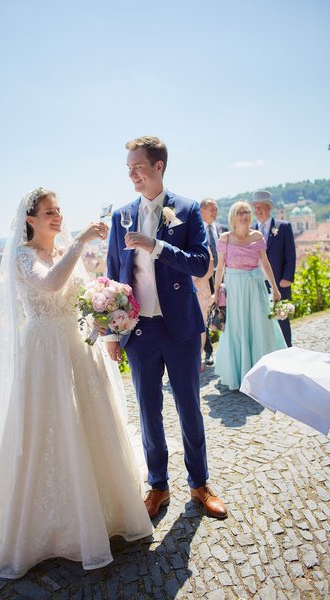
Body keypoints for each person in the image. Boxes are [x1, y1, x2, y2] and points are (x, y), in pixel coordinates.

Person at [0, 187, 152, 579]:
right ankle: (51, 524)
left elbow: (80, 296)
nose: (57, 217)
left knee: (88, 424)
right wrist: (82, 240)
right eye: (49, 212)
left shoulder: (63, 253)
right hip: (44, 352)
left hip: (76, 346)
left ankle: (103, 511)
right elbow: (49, 284)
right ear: (30, 219)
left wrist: (108, 303)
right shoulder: (23, 256)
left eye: (59, 210)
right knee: (50, 428)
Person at [105, 136, 228, 520]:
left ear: (158, 167)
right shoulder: (121, 215)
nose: (131, 174)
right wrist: (112, 332)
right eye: (128, 168)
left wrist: (155, 245)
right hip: (139, 330)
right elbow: (112, 274)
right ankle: (157, 486)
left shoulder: (188, 210)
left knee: (189, 407)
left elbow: (201, 265)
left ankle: (199, 484)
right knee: (149, 410)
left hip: (181, 328)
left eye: (137, 166)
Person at [214, 201, 287, 390]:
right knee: (237, 328)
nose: (244, 215)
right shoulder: (225, 238)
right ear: (233, 216)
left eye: (247, 212)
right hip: (235, 288)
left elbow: (265, 263)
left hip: (256, 287)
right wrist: (215, 292)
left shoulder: (257, 236)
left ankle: (263, 374)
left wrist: (275, 288)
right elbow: (220, 267)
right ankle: (240, 375)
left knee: (260, 326)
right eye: (240, 212)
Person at [251, 190, 296, 346]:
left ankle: (287, 349)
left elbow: (290, 254)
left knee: (282, 317)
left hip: (279, 282)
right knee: (262, 319)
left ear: (268, 207)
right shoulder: (251, 230)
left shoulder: (283, 227)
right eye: (255, 207)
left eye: (260, 207)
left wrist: (287, 278)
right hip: (258, 283)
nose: (257, 211)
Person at [198, 198, 228, 365]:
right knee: (206, 314)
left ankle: (226, 349)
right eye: (212, 210)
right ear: (202, 211)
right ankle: (208, 352)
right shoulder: (196, 232)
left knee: (224, 311)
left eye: (216, 209)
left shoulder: (223, 230)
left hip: (223, 277)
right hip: (204, 280)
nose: (215, 213)